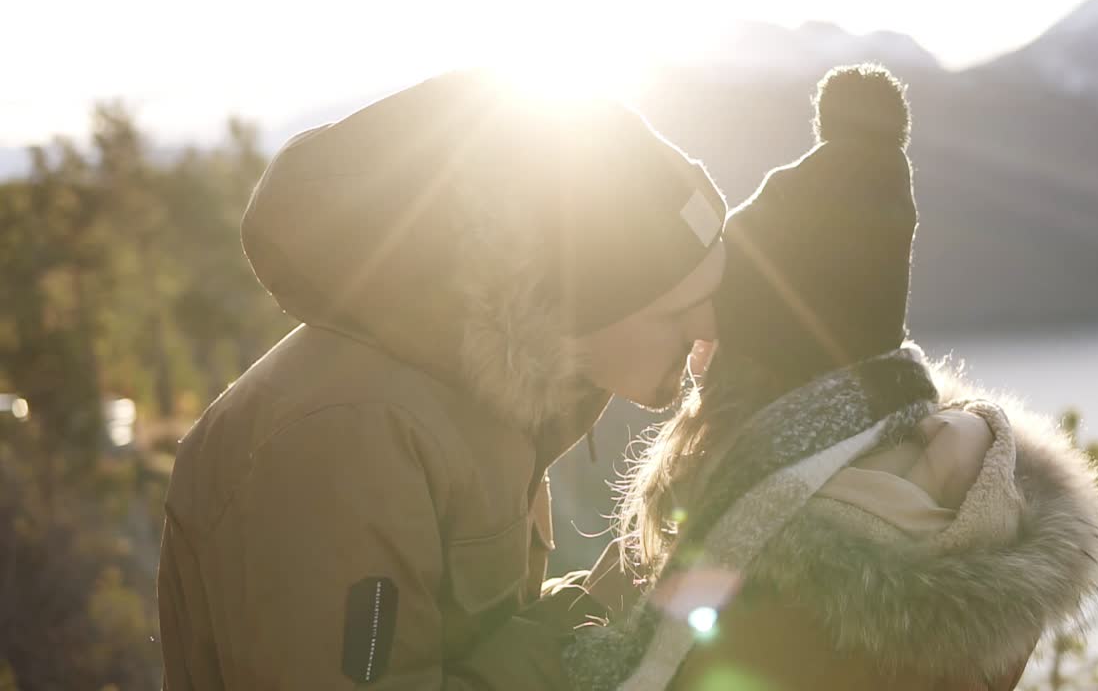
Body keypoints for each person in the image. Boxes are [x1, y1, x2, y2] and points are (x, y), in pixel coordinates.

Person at [156, 68, 729, 690]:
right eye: (675, 310)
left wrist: (630, 593)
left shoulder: (484, 399)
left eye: (716, 295)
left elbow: (466, 638)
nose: (708, 333)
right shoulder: (345, 441)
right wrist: (570, 642)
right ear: (576, 310)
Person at [564, 65, 1098, 690]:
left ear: (758, 363)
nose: (695, 358)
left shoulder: (771, 561)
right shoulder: (952, 490)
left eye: (713, 330)